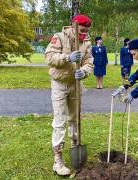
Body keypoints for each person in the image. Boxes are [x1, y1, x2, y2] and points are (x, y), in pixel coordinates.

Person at [44, 14, 94, 176]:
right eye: (81, 30)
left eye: (86, 31)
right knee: (60, 121)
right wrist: (67, 57)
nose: (84, 34)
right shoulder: (59, 37)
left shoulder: (86, 42)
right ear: (74, 26)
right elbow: (49, 57)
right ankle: (57, 160)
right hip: (59, 84)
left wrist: (84, 72)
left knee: (75, 119)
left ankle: (75, 148)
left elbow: (89, 62)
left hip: (76, 85)